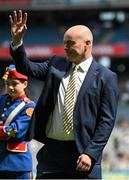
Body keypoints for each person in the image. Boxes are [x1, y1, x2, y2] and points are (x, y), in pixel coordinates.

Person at [9, 10, 119, 179]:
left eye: (71, 43)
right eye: (64, 43)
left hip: (83, 155)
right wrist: (17, 41)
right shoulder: (55, 64)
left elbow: (106, 120)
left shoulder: (107, 77)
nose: (65, 48)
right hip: (52, 154)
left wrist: (91, 153)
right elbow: (26, 67)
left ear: (87, 44)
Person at [0, 64, 36, 179]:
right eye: (7, 84)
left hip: (17, 164)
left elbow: (15, 131)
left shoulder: (29, 107)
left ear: (24, 84)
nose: (10, 87)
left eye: (14, 84)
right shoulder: (2, 100)